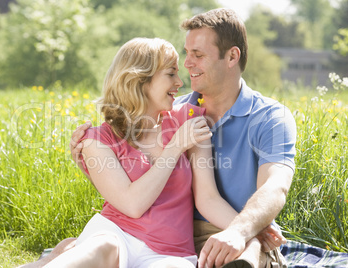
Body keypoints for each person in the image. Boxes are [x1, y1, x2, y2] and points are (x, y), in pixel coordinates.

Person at [68, 8, 297, 268]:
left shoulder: (269, 117)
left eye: (197, 55)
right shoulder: (174, 113)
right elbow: (127, 176)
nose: (186, 67)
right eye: (185, 55)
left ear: (232, 56)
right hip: (165, 234)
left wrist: (246, 230)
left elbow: (273, 188)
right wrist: (91, 158)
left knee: (246, 253)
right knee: (94, 249)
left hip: (228, 228)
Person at [21, 37, 247, 268]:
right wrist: (175, 147)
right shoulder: (95, 139)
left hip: (172, 254)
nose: (180, 82)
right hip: (115, 235)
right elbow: (133, 205)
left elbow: (208, 199)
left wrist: (249, 229)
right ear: (140, 79)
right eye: (170, 73)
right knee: (97, 249)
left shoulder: (188, 120)